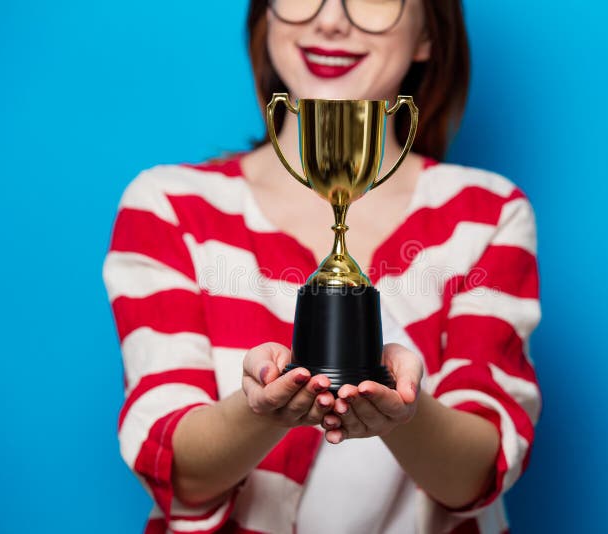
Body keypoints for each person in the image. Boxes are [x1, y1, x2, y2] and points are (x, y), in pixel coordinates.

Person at [102, 1, 542, 532]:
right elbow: (176, 471)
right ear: (266, 16)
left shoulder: (488, 213)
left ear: (429, 33)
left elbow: (481, 470)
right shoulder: (171, 206)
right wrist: (260, 410)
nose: (331, 19)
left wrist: (405, 410)